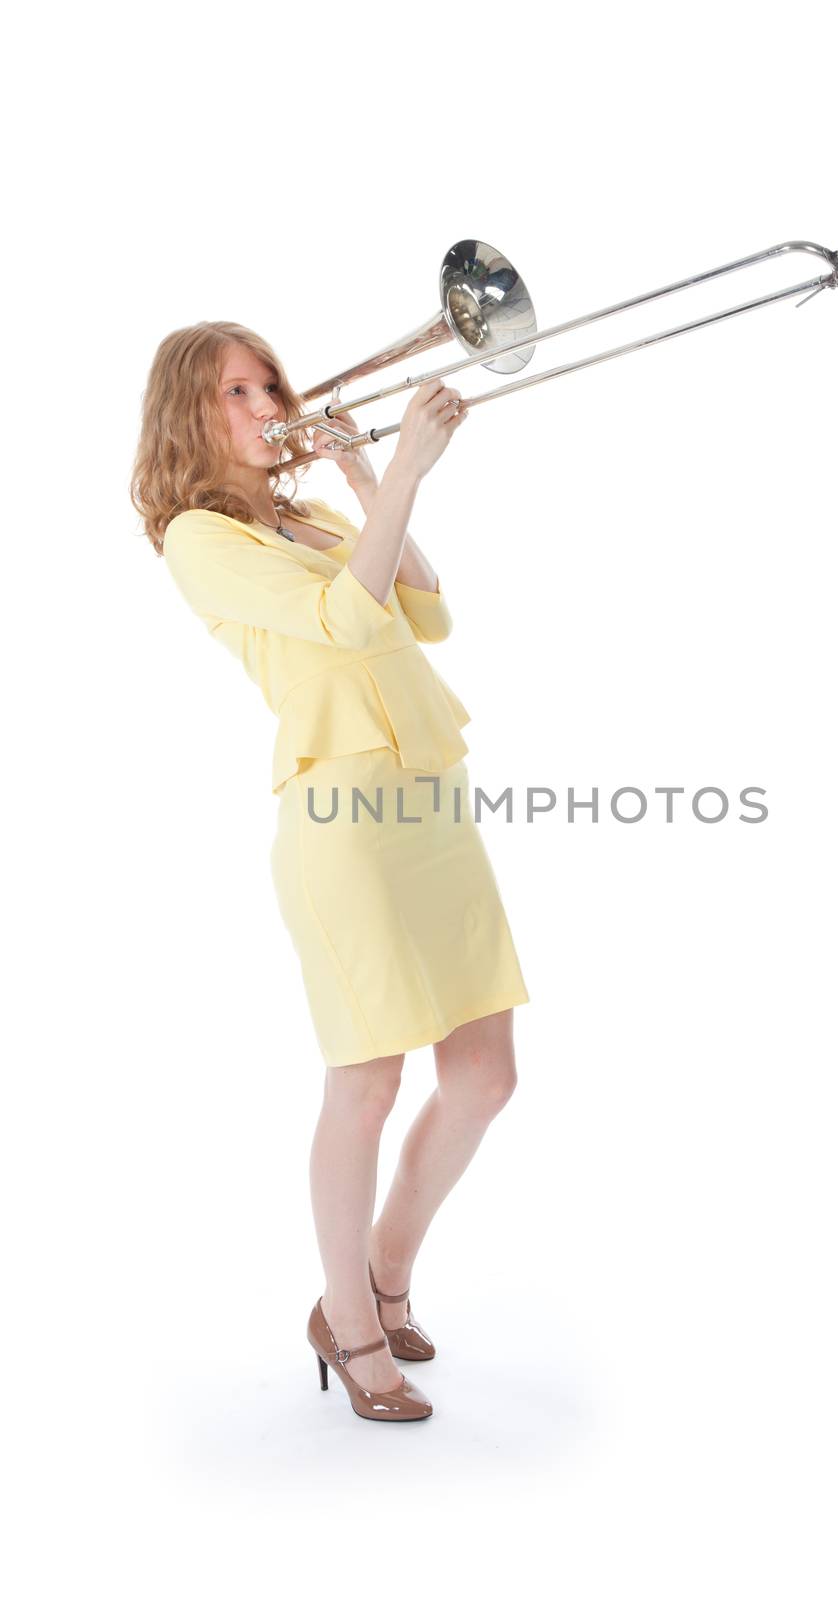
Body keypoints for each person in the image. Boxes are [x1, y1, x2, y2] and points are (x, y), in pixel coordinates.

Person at [130, 320, 530, 1423]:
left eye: (269, 382)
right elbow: (347, 623)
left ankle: (381, 1274)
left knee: (486, 1077)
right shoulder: (198, 537)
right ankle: (351, 1324)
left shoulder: (305, 516)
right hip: (342, 819)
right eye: (233, 392)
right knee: (368, 1084)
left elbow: (426, 608)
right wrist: (399, 470)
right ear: (187, 413)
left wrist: (367, 474)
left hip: (428, 803)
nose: (265, 402)